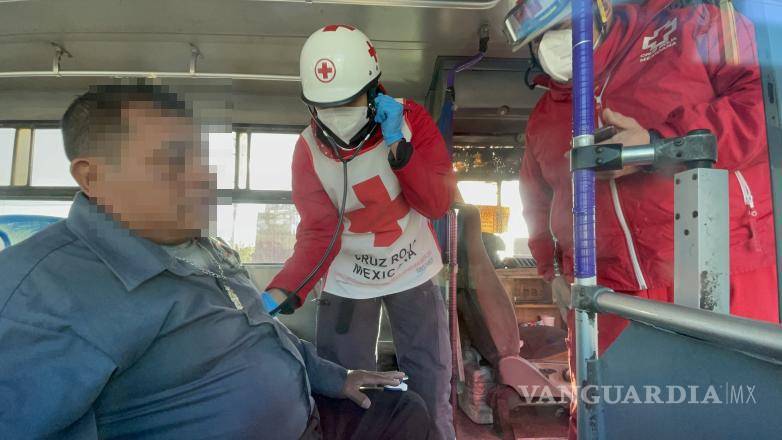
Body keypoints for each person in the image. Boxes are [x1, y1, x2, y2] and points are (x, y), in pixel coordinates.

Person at [0, 84, 434, 440]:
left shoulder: (204, 247)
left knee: (403, 412)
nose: (202, 176)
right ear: (93, 177)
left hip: (311, 411)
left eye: (198, 157)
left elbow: (263, 332)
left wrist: (333, 377)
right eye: (172, 162)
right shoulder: (44, 291)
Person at [511, 0, 778, 437]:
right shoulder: (543, 118)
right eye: (537, 31)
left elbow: (765, 108)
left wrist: (658, 144)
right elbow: (536, 203)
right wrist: (553, 271)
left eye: (559, 22)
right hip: (608, 296)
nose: (550, 40)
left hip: (724, 268)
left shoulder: (696, 25)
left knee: (742, 415)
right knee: (612, 421)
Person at [264, 25, 456, 440]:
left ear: (372, 89)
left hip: (413, 267)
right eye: (322, 106)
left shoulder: (410, 121)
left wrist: (399, 151)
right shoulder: (308, 151)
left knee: (431, 380)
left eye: (347, 102)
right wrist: (280, 292)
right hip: (348, 278)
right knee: (345, 390)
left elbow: (437, 204)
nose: (335, 114)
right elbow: (318, 232)